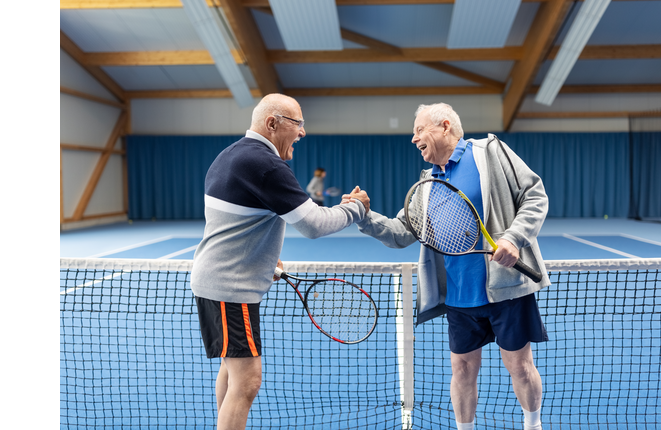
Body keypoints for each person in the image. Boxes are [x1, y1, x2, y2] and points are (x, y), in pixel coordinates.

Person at [345, 103, 549, 430]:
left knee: (521, 367)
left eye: (419, 130)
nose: (413, 139)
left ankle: (533, 425)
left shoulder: (491, 152)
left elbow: (534, 195)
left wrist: (514, 239)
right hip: (458, 297)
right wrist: (365, 217)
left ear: (444, 127)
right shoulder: (427, 182)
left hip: (507, 289)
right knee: (462, 371)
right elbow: (402, 232)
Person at [190, 93, 370, 430]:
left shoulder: (229, 155)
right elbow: (314, 225)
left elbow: (235, 225)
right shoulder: (266, 165)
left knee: (231, 371)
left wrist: (263, 261)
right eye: (298, 124)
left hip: (214, 281)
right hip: (231, 289)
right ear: (272, 124)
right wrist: (356, 208)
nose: (303, 132)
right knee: (247, 380)